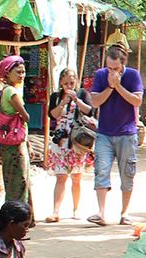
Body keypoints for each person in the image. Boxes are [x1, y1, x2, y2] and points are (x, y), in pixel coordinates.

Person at [88, 44, 144, 226]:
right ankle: (101, 213)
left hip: (127, 133)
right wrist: (110, 87)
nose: (112, 71)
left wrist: (118, 86)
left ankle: (125, 213)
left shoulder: (133, 75)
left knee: (127, 173)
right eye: (109, 67)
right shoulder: (100, 75)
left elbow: (137, 101)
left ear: (123, 64)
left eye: (116, 68)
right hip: (104, 132)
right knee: (101, 171)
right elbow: (95, 102)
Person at [45, 68, 94, 223]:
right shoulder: (56, 96)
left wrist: (77, 101)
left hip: (77, 141)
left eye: (71, 82)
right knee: (60, 177)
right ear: (61, 83)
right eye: (66, 83)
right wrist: (63, 103)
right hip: (60, 142)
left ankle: (76, 208)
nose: (69, 86)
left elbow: (90, 111)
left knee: (77, 177)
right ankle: (56, 211)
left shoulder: (82, 94)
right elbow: (51, 115)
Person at [0, 55, 33, 219]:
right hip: (15, 146)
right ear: (8, 73)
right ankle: (17, 220)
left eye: (23, 72)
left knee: (15, 181)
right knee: (19, 183)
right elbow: (26, 117)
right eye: (18, 72)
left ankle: (23, 220)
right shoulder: (12, 92)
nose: (22, 75)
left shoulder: (6, 90)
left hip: (11, 143)